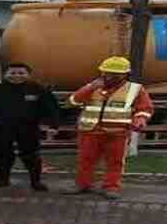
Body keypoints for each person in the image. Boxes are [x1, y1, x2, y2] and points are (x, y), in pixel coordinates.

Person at [64, 56, 154, 199]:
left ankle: (111, 187)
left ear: (125, 74)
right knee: (85, 159)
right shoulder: (92, 86)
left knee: (115, 162)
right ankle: (82, 184)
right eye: (107, 72)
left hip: (118, 133)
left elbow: (145, 108)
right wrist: (89, 88)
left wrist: (140, 119)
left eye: (115, 74)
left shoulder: (135, 89)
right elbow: (71, 102)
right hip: (89, 131)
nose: (110, 76)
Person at [0, 63, 59, 191]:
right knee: (2, 156)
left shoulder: (38, 90)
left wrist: (53, 126)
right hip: (0, 129)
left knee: (31, 156)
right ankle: (2, 180)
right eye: (13, 73)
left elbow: (51, 109)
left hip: (28, 129)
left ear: (28, 75)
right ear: (6, 74)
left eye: (21, 73)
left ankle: (36, 182)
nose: (17, 76)